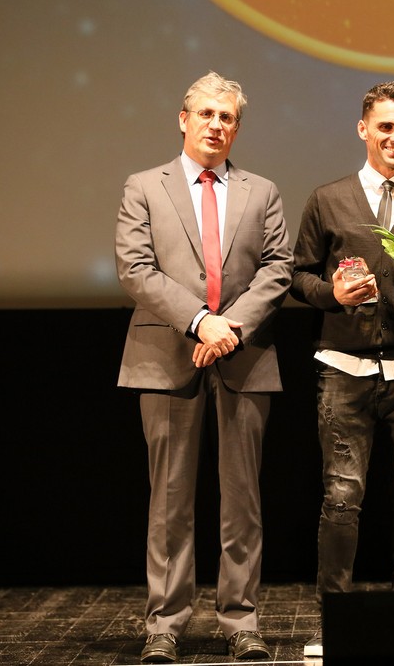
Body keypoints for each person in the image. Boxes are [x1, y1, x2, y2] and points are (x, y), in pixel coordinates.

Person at [115, 71, 292, 663]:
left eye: (228, 118)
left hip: (244, 356)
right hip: (165, 356)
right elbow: (136, 269)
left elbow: (277, 269)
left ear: (237, 128)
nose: (217, 125)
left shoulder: (261, 190)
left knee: (242, 498)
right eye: (207, 114)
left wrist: (229, 327)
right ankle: (165, 623)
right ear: (184, 119)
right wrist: (199, 321)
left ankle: (241, 620)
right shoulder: (144, 186)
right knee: (168, 499)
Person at [290, 81, 394, 656]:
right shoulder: (327, 199)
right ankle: (335, 621)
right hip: (343, 370)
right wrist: (330, 292)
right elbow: (298, 276)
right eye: (385, 126)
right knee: (341, 496)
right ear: (363, 129)